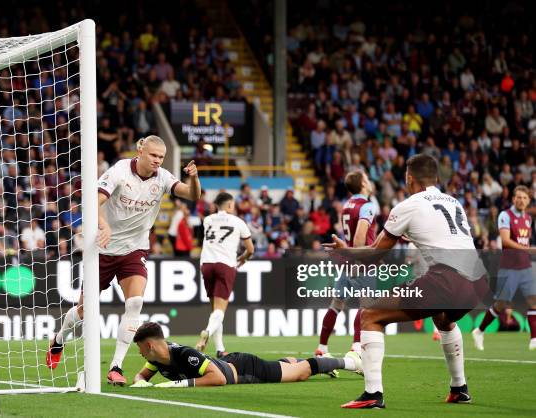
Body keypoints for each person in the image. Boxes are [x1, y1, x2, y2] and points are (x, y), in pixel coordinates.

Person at [325, 154, 488, 408]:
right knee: (443, 318)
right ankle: (459, 388)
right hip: (478, 282)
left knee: (371, 314)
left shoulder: (408, 205)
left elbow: (375, 254)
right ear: (435, 178)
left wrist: (345, 250)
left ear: (409, 178)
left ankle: (372, 395)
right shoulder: (454, 202)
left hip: (447, 280)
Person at [46, 135, 202, 386]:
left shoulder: (162, 177)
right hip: (103, 249)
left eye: (161, 157)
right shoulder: (119, 171)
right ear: (140, 151)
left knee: (136, 302)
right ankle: (60, 339)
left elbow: (192, 195)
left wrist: (193, 178)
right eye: (153, 155)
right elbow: (91, 202)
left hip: (134, 249)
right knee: (85, 311)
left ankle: (115, 367)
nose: (157, 161)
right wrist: (104, 225)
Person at [130, 322, 362, 387]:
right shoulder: (155, 358)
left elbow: (218, 379)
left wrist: (178, 385)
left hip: (245, 369)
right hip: (229, 363)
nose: (138, 352)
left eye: (139, 347)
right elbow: (140, 377)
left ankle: (350, 361)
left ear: (149, 345)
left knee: (300, 373)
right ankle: (325, 364)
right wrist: (140, 382)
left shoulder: (184, 354)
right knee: (285, 366)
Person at [316, 170, 377, 356]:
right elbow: (359, 240)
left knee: (336, 305)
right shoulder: (367, 206)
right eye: (366, 178)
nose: (369, 181)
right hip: (361, 260)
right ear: (364, 184)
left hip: (346, 261)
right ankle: (357, 347)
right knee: (365, 305)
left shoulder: (346, 205)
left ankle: (322, 348)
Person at [472, 185, 535, 351]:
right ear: (513, 199)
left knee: (534, 301)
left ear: (528, 201)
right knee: (501, 305)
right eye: (518, 197)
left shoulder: (528, 218)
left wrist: (527, 251)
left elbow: (524, 241)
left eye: (524, 198)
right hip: (509, 266)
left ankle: (534, 339)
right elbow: (506, 241)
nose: (521, 200)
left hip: (525, 266)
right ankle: (479, 331)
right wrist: (528, 249)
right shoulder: (505, 215)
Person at [195, 192, 254, 357]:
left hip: (206, 264)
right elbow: (250, 249)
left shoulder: (208, 220)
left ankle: (220, 349)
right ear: (229, 205)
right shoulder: (238, 222)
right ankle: (206, 333)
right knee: (220, 310)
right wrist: (243, 259)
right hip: (225, 264)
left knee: (215, 310)